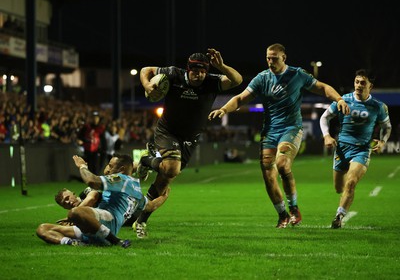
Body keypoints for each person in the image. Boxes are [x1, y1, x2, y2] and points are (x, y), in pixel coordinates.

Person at [208, 43, 350, 228]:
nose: (270, 61)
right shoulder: (262, 78)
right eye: (268, 57)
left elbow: (322, 87)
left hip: (291, 128)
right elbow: (241, 98)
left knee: (282, 165)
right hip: (270, 131)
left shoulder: (297, 74)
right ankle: (282, 214)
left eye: (274, 58)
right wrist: (224, 109)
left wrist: (339, 99)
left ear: (284, 58)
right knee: (268, 173)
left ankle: (294, 209)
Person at [134, 48, 243, 238]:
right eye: (195, 71)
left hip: (190, 138)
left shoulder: (211, 82)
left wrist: (222, 66)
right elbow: (146, 69)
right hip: (168, 131)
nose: (199, 74)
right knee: (172, 168)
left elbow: (237, 80)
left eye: (203, 71)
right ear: (188, 69)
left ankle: (141, 219)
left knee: (165, 179)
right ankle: (146, 162)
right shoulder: (174, 74)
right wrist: (146, 84)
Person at [36, 153, 170, 247]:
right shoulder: (136, 190)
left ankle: (115, 241)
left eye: (111, 166)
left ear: (121, 170)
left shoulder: (121, 179)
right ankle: (73, 243)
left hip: (108, 222)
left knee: (74, 213)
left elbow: (91, 181)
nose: (108, 169)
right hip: (97, 225)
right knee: (42, 229)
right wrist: (164, 197)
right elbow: (150, 206)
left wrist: (82, 166)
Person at [319, 69, 392, 229]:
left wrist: (383, 141)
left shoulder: (378, 107)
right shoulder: (343, 100)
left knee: (351, 182)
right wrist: (327, 136)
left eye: (363, 83)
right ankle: (346, 195)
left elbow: (386, 126)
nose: (358, 85)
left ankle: (339, 216)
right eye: (357, 82)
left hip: (362, 149)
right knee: (339, 188)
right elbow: (325, 117)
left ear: (370, 86)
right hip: (342, 149)